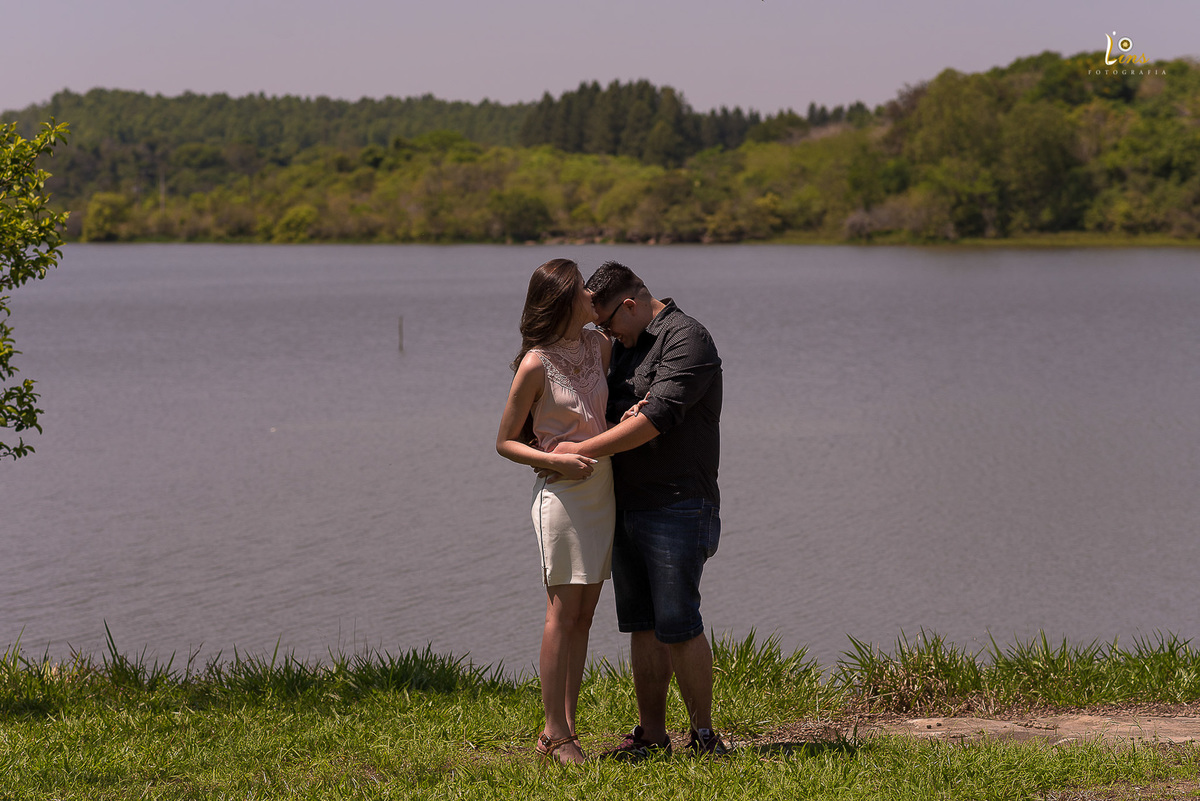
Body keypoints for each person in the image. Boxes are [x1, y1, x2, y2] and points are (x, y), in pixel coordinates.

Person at [551, 260, 728, 759]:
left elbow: (656, 418)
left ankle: (706, 738)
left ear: (629, 304)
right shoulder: (623, 349)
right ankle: (651, 735)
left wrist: (585, 450)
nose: (605, 333)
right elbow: (611, 411)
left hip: (679, 504)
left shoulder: (687, 339)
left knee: (678, 621)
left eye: (606, 322)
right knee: (641, 623)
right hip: (626, 504)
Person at [495, 258, 615, 765]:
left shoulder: (600, 346)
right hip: (562, 498)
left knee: (585, 616)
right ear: (564, 299)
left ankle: (567, 729)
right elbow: (503, 442)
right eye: (584, 289)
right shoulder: (535, 363)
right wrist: (551, 459)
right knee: (562, 614)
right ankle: (553, 731)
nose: (593, 294)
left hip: (605, 489)